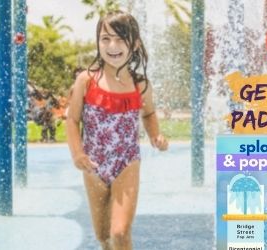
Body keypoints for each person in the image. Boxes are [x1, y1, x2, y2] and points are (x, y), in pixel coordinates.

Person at [66, 10, 168, 250]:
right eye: (106, 38)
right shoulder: (86, 80)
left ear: (135, 44)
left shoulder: (140, 84)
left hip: (126, 161)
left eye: (121, 39)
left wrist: (155, 135)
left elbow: (149, 113)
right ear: (98, 41)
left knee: (120, 233)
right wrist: (77, 154)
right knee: (103, 236)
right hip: (93, 165)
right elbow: (72, 119)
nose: (113, 45)